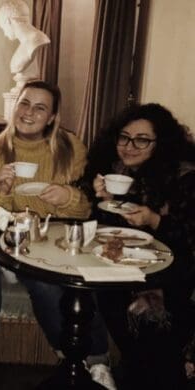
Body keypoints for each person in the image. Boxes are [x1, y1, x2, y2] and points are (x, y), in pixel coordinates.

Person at [0, 80, 115, 389]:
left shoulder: (70, 147)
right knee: (44, 283)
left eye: (40, 107)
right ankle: (73, 357)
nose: (29, 112)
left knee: (83, 281)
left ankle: (99, 362)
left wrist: (67, 197)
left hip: (64, 239)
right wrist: (1, 190)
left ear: (52, 116)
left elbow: (87, 206)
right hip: (19, 242)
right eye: (24, 103)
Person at [81, 103, 195, 389]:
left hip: (173, 269)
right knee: (107, 291)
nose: (129, 146)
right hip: (127, 264)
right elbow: (107, 230)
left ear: (161, 142)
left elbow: (188, 236)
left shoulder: (184, 177)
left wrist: (154, 219)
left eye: (141, 139)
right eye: (124, 137)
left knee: (149, 321)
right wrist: (104, 200)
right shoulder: (115, 171)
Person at [0, 0, 50, 89]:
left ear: (8, 21)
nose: (5, 34)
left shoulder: (37, 39)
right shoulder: (24, 44)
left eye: (3, 28)